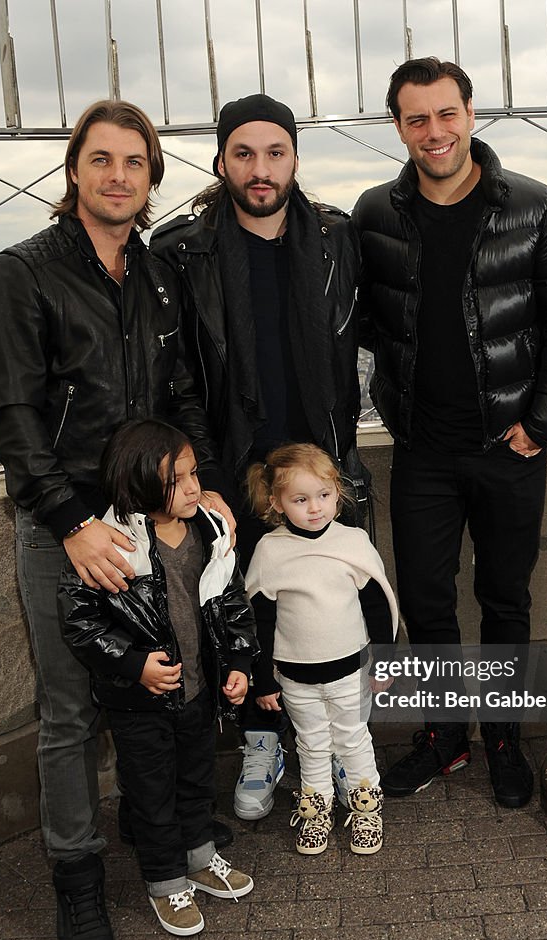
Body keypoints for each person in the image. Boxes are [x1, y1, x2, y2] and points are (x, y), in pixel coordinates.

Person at [0, 100, 232, 940]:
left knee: (157, 690)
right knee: (71, 711)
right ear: (74, 171)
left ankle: (160, 840)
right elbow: (10, 416)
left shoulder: (159, 277)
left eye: (135, 162)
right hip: (66, 526)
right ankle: (77, 881)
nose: (119, 175)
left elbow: (181, 396)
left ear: (151, 177)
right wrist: (69, 522)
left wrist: (204, 489)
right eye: (102, 159)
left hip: (150, 523)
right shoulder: (24, 271)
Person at [352, 58, 547, 807]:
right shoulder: (374, 214)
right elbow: (361, 318)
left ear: (470, 113)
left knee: (503, 598)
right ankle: (442, 733)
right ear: (398, 127)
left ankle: (501, 732)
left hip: (507, 448)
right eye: (416, 118)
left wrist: (540, 425)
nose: (434, 132)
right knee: (425, 600)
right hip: (423, 449)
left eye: (446, 113)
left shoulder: (533, 207)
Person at [151, 94, 365, 823]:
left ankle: (336, 744)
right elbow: (176, 375)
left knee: (327, 612)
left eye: (275, 152)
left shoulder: (336, 238)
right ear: (220, 162)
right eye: (243, 153)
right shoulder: (184, 251)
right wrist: (202, 477)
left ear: (295, 159)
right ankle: (261, 740)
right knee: (241, 616)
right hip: (229, 466)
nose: (260, 167)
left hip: (318, 464)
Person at [58, 419, 258, 936]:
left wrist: (237, 662)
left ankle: (198, 856)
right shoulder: (113, 542)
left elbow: (232, 603)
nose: (195, 487)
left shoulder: (208, 533)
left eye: (193, 473)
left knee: (196, 779)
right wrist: (132, 664)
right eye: (179, 480)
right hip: (140, 702)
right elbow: (80, 623)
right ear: (138, 482)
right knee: (152, 792)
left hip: (198, 692)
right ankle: (165, 882)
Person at [243, 444, 398, 855]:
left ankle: (366, 809)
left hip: (350, 671)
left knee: (353, 739)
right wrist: (262, 680)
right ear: (276, 502)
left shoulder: (353, 542)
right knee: (311, 744)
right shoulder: (269, 551)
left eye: (324, 495)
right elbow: (260, 621)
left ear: (337, 492)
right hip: (295, 676)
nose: (315, 508)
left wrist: (383, 661)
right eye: (300, 499)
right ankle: (316, 812)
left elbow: (378, 605)